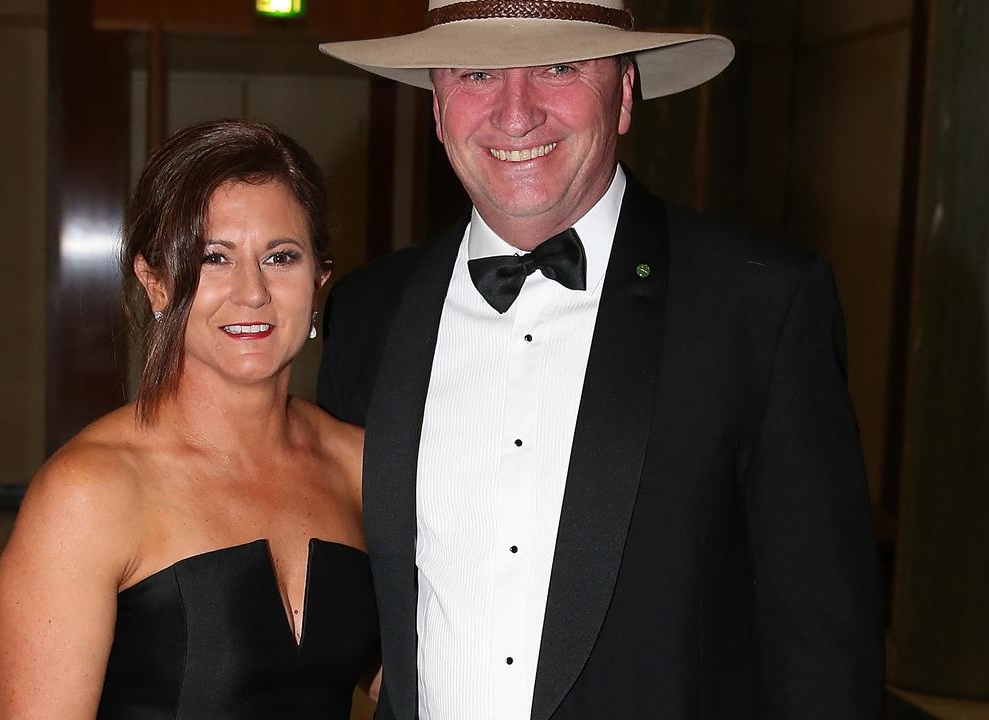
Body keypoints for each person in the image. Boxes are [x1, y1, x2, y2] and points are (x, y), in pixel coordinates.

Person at [316, 2, 884, 719]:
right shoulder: (368, 312)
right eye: (479, 73)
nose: (515, 115)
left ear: (623, 93)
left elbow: (824, 650)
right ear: (438, 105)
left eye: (559, 66)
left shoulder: (762, 307)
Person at [0, 120, 378, 719]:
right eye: (213, 259)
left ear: (318, 279)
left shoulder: (359, 465)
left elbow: (418, 676)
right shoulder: (88, 493)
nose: (252, 292)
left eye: (280, 256)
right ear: (157, 284)